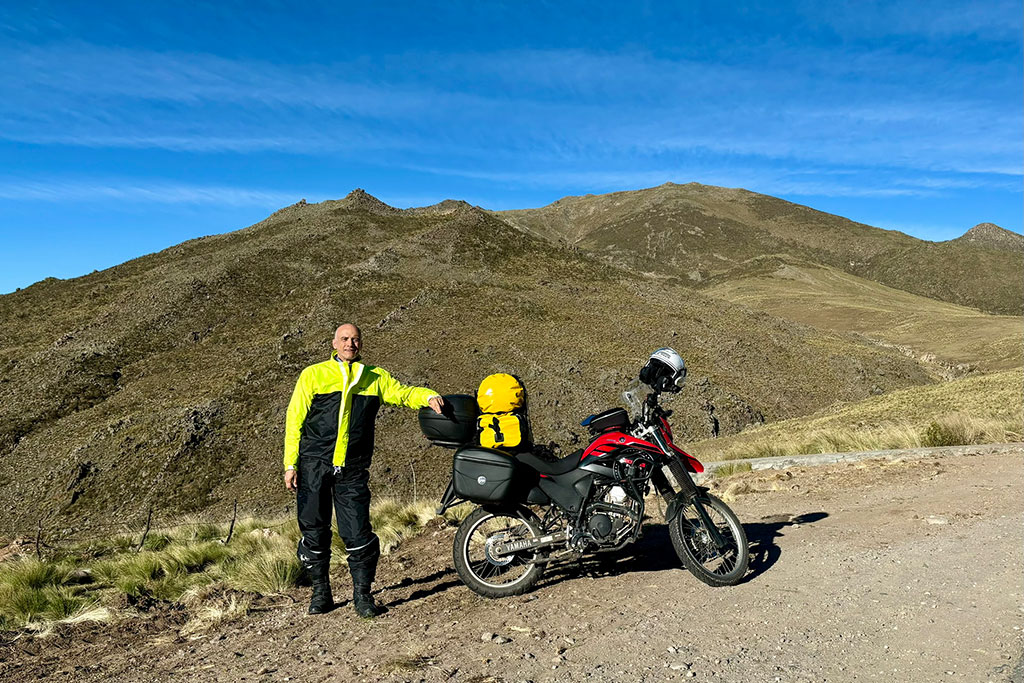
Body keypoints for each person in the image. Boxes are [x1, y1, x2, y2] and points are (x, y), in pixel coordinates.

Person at [284, 323, 444, 616]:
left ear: (361, 344)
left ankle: (363, 595)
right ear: (334, 343)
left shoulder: (374, 378)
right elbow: (294, 420)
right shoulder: (313, 375)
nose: (350, 344)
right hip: (313, 464)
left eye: (355, 339)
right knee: (313, 530)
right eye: (344, 339)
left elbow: (403, 393)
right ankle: (321, 593)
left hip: (352, 468)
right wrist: (290, 464)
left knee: (357, 531)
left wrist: (427, 396)